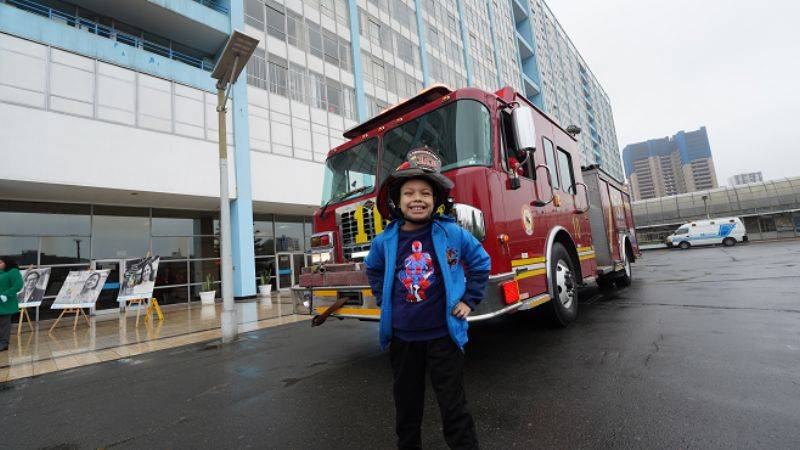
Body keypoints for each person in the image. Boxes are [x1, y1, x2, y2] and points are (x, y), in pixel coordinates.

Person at [365, 147, 491, 449]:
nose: (417, 199)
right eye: (409, 193)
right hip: (403, 339)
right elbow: (373, 269)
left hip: (444, 337)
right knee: (407, 409)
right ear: (397, 201)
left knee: (453, 407)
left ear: (436, 201)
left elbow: (481, 262)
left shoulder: (452, 234)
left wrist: (468, 300)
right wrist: (385, 302)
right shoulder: (385, 241)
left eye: (425, 193)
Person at [0, 257, 23, 351]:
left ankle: (4, 343)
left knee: (4, 324)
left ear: (7, 263)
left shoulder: (13, 271)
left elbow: (18, 285)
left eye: (1, 262)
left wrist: (6, 295)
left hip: (6, 303)